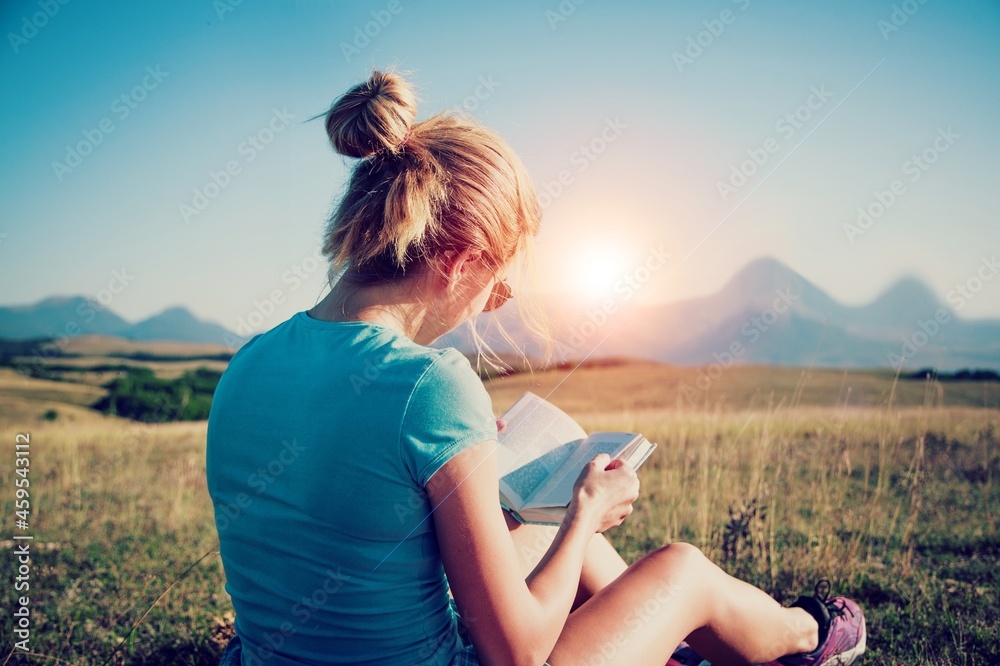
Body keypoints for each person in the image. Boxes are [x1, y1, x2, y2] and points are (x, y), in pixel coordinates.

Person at [206, 70, 866, 666]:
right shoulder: (429, 384)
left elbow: (348, 512)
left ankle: (667, 648)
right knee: (682, 569)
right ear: (460, 261)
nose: (497, 300)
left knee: (529, 532)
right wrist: (585, 511)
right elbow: (515, 654)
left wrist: (470, 467)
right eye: (499, 279)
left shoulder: (248, 365)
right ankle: (809, 637)